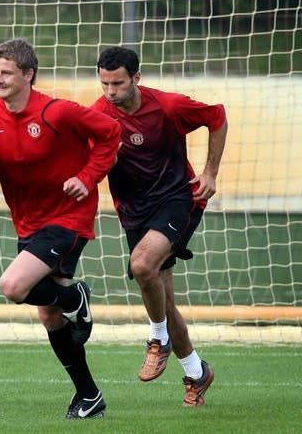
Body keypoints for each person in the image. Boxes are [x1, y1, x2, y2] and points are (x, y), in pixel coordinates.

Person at [0, 38, 121, 419]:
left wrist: (87, 176)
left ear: (28, 74)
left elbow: (110, 133)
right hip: (28, 223)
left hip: (68, 218)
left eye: (6, 73)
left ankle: (76, 298)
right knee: (49, 315)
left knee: (14, 287)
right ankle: (89, 396)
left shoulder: (57, 112)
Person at [91, 46, 228, 407]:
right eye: (104, 83)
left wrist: (210, 171)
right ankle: (197, 374)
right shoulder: (98, 114)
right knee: (163, 299)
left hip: (178, 200)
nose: (110, 92)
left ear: (136, 78)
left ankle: (157, 339)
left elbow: (217, 116)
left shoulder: (168, 106)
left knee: (141, 266)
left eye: (118, 83)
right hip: (134, 213)